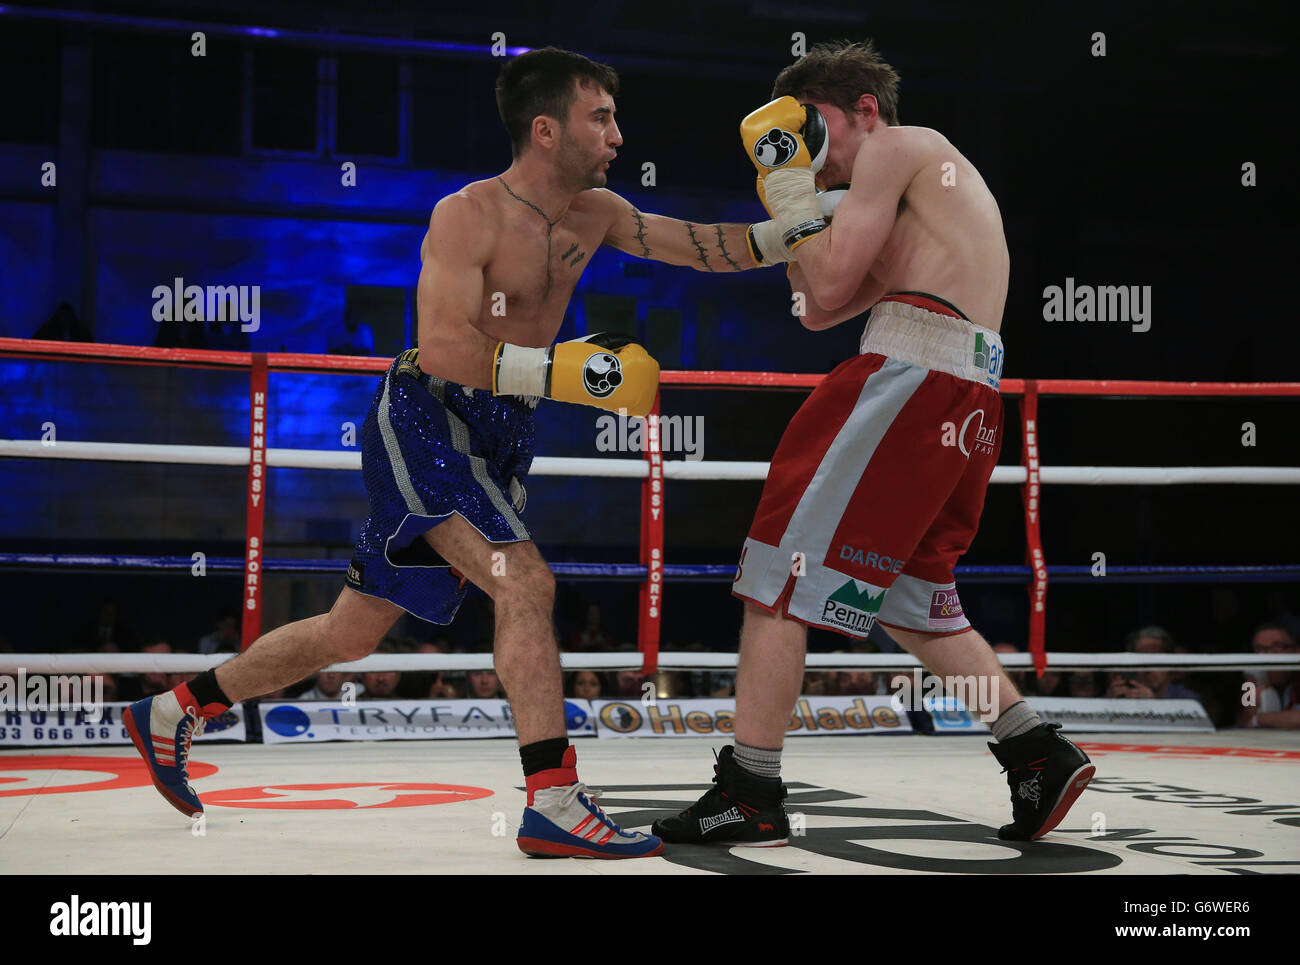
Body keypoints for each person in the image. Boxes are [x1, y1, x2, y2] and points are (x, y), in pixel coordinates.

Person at [125, 46, 769, 860]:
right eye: (600, 117)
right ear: (545, 129)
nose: (617, 134)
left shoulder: (596, 211)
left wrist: (797, 232)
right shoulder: (467, 214)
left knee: (353, 632)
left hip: (503, 433)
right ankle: (553, 799)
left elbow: (700, 244)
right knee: (524, 582)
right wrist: (561, 373)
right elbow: (439, 347)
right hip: (428, 417)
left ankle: (171, 708)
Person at [655, 39, 1093, 848]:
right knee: (914, 596)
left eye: (812, 132)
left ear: (862, 108)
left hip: (912, 374)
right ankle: (1034, 749)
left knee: (779, 570)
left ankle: (751, 787)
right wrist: (793, 197)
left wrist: (790, 189)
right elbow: (819, 309)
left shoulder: (897, 144)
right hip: (966, 398)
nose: (813, 157)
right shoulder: (904, 192)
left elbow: (822, 289)